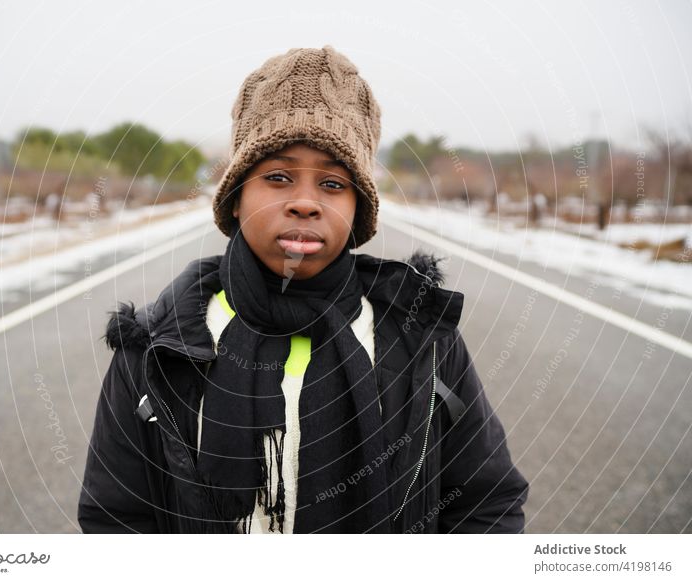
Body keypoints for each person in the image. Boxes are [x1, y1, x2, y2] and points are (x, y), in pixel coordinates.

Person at [78, 46, 528, 534]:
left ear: (360, 209)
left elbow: (488, 504)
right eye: (277, 177)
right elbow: (117, 520)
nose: (306, 203)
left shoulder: (423, 339)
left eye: (334, 184)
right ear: (236, 196)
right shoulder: (157, 349)